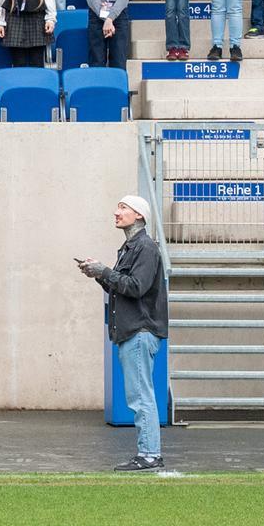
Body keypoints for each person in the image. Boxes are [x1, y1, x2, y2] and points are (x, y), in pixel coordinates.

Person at [78, 194, 169, 472]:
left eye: (123, 208)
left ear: (139, 215)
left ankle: (150, 454)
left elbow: (136, 287)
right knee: (139, 396)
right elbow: (124, 287)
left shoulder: (145, 248)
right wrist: (99, 275)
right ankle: (148, 453)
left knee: (141, 396)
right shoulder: (131, 248)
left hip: (139, 331)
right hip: (133, 332)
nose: (116, 212)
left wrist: (104, 271)